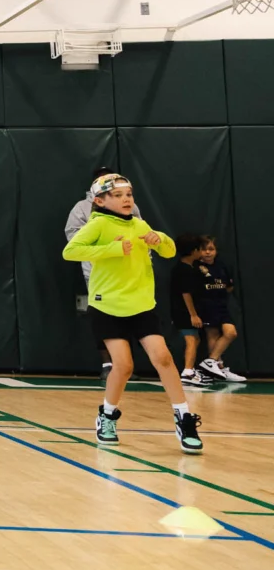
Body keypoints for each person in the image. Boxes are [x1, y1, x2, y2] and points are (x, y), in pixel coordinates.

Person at [63, 174, 201, 453]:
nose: (126, 199)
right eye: (118, 195)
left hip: (141, 306)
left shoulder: (139, 223)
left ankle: (184, 417)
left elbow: (169, 250)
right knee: (123, 366)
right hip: (107, 306)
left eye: (129, 194)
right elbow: (71, 251)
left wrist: (158, 238)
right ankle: (107, 416)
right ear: (100, 201)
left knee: (162, 357)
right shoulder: (98, 223)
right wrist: (112, 249)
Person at [65, 165, 141, 381]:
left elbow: (141, 233)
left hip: (128, 272)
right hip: (99, 273)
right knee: (104, 317)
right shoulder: (82, 209)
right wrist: (104, 245)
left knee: (130, 316)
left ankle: (125, 365)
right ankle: (108, 364)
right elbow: (73, 240)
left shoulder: (131, 207)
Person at [172, 234, 244, 385]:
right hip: (205, 307)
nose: (207, 252)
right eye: (203, 249)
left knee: (230, 333)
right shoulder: (195, 267)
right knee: (212, 335)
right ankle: (216, 366)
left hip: (221, 306)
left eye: (211, 249)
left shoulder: (222, 266)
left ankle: (211, 361)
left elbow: (229, 286)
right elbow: (188, 291)